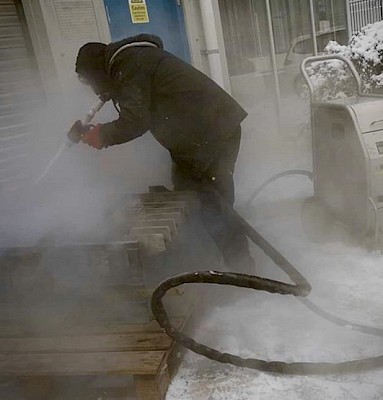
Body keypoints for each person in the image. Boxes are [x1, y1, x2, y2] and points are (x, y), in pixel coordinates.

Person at [69, 33, 254, 273]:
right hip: (197, 138)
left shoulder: (130, 66)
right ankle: (205, 261)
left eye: (89, 81)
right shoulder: (132, 63)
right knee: (189, 194)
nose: (93, 90)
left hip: (212, 134)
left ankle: (244, 272)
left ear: (97, 71)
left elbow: (135, 121)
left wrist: (101, 136)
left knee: (215, 205)